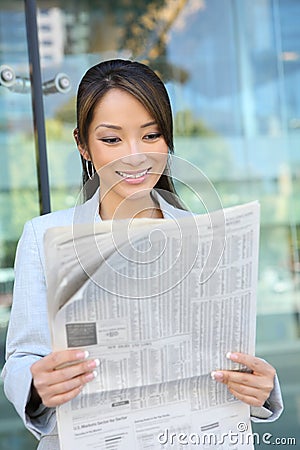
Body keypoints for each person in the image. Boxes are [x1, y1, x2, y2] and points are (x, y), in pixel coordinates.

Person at [1, 59, 283, 449]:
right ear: (83, 145)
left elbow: (235, 354)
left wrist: (262, 388)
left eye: (150, 136)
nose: (134, 156)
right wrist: (36, 385)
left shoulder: (208, 238)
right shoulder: (45, 235)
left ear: (167, 140)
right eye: (112, 140)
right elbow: (21, 357)